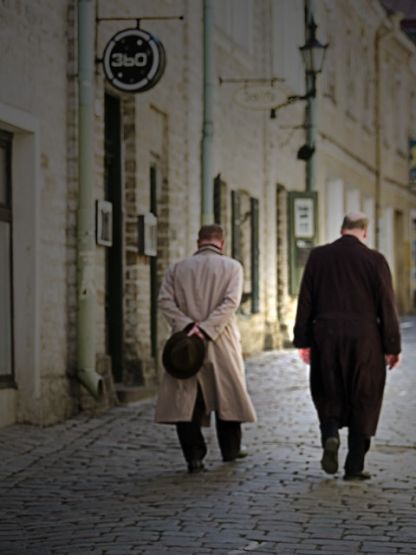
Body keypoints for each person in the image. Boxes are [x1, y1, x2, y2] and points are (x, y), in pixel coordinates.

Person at [293, 211, 401, 481]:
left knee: (328, 388)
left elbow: (305, 300)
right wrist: (392, 346)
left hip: (326, 335)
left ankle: (330, 435)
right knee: (364, 395)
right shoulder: (375, 260)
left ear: (342, 230)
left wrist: (303, 341)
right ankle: (355, 466)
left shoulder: (318, 257)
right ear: (364, 232)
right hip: (365, 338)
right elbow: (387, 305)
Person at [155, 224, 257, 473]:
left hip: (184, 342)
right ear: (221, 243)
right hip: (220, 339)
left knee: (186, 397)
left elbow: (164, 301)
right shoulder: (232, 267)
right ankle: (231, 449)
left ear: (198, 242)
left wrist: (188, 325)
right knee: (227, 395)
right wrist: (207, 328)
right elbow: (230, 303)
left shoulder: (177, 268)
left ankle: (194, 456)